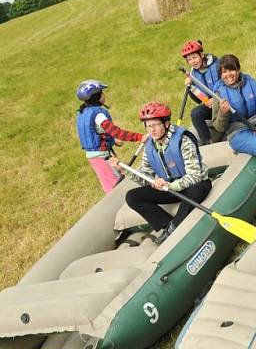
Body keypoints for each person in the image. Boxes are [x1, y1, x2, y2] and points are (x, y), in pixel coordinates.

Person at [110, 102, 211, 244]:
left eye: (156, 125)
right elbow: (146, 178)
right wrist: (125, 171)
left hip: (195, 184)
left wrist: (171, 186)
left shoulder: (183, 140)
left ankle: (176, 227)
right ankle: (168, 224)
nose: (152, 130)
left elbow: (195, 175)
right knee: (132, 196)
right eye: (148, 126)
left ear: (167, 123)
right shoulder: (150, 146)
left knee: (195, 191)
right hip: (169, 187)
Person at [75, 79, 145, 193]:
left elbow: (93, 134)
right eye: (102, 93)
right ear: (97, 97)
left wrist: (112, 141)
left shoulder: (84, 112)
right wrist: (140, 137)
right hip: (102, 156)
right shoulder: (98, 115)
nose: (104, 95)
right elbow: (116, 132)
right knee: (115, 185)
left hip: (94, 155)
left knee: (111, 181)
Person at [181, 40, 221, 145]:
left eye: (194, 57)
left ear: (202, 55)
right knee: (195, 113)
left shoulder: (217, 64)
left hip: (225, 100)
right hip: (211, 105)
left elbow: (228, 84)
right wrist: (189, 88)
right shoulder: (193, 74)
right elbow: (198, 99)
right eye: (189, 60)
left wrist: (216, 99)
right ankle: (207, 141)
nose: (193, 62)